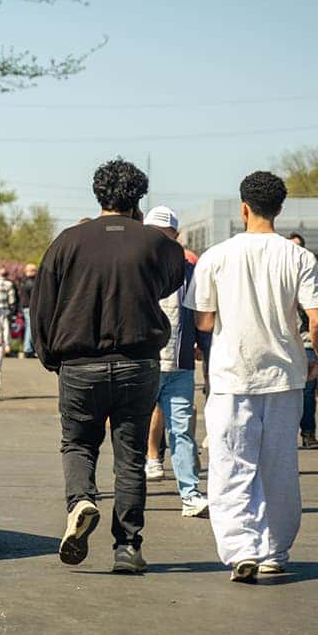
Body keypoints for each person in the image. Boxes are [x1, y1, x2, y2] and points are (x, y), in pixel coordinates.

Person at [32, 158, 185, 573]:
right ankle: (128, 548)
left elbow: (41, 303)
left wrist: (49, 356)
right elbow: (173, 277)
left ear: (97, 194)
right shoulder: (156, 244)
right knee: (131, 456)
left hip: (79, 364)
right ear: (138, 200)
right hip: (138, 363)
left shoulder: (67, 241)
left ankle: (81, 500)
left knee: (79, 443)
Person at [188, 171, 318, 583]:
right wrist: (317, 361)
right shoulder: (299, 257)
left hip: (232, 375)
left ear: (243, 208)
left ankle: (241, 549)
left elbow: (204, 317)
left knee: (231, 464)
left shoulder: (216, 256)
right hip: (285, 376)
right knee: (279, 466)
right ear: (280, 209)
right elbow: (317, 320)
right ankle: (274, 550)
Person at [142, 206, 209, 518]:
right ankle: (132, 491)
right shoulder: (135, 266)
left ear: (175, 237)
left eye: (163, 235)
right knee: (131, 432)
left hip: (180, 365)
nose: (156, 240)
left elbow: (200, 313)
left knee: (181, 432)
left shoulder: (189, 271)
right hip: (143, 363)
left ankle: (190, 494)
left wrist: (207, 351)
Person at [287, 233, 318, 448]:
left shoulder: (317, 274)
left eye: (300, 247)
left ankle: (308, 433)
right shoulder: (280, 271)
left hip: (307, 342)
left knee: (307, 393)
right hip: (284, 341)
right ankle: (284, 436)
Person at [21, 263, 38, 358]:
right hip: (30, 307)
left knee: (29, 327)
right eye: (35, 270)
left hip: (26, 307)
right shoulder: (31, 282)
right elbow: (34, 296)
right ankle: (28, 349)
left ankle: (28, 348)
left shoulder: (23, 281)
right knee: (30, 328)